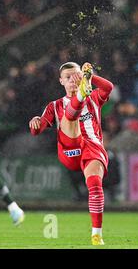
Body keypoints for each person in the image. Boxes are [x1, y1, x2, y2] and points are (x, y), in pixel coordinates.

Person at [29, 62, 113, 246]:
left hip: (92, 149)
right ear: (61, 81)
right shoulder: (54, 106)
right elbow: (37, 130)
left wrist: (90, 77)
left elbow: (108, 87)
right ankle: (80, 97)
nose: (73, 81)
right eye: (68, 77)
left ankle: (96, 235)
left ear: (82, 78)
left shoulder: (95, 98)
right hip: (70, 150)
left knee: (95, 186)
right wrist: (35, 122)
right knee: (69, 118)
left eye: (76, 77)